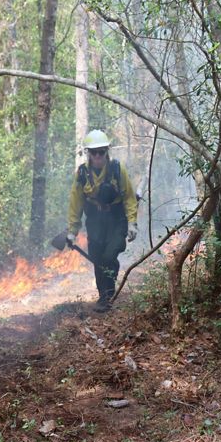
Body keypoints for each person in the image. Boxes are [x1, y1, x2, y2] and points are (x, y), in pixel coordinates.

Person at [67, 130, 138, 311]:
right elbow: (76, 202)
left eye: (101, 151)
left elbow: (129, 197)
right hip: (95, 220)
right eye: (94, 152)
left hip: (116, 219)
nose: (98, 156)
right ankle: (103, 297)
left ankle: (109, 293)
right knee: (97, 258)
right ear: (88, 153)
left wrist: (132, 223)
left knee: (109, 255)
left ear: (107, 151)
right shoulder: (82, 173)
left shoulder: (116, 169)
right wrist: (72, 231)